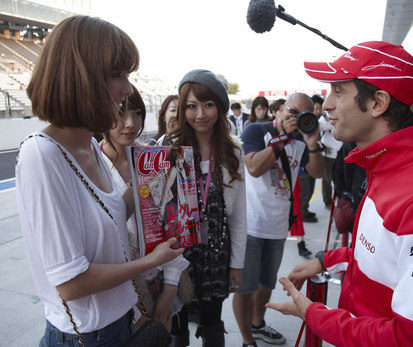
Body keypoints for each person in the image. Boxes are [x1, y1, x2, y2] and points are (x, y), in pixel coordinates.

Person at [267, 41, 413, 346]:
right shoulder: (382, 170)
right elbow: (386, 256)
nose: (326, 105)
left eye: (338, 92)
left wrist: (315, 315)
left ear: (378, 103)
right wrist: (330, 260)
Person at [17, 16, 183, 346]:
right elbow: (72, 282)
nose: (127, 89)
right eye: (116, 74)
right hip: (88, 336)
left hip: (121, 322)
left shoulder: (89, 144)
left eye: (128, 75)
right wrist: (152, 261)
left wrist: (150, 183)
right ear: (81, 77)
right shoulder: (42, 155)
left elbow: (106, 221)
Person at [233, 93, 324, 347]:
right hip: (250, 225)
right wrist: (282, 138)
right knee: (245, 287)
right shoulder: (256, 131)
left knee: (267, 282)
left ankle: (258, 323)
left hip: (278, 226)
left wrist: (313, 142)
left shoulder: (303, 141)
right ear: (281, 110)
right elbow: (253, 167)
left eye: (305, 116)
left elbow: (317, 172)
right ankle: (247, 340)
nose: (297, 119)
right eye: (293, 112)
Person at [165, 69, 247, 347]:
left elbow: (238, 217)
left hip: (215, 258)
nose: (200, 114)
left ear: (220, 108)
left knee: (212, 326)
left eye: (208, 104)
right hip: (178, 257)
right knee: (176, 328)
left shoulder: (233, 151)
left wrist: (236, 264)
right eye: (191, 106)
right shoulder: (170, 148)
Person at [100, 85, 190, 331]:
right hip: (111, 290)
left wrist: (171, 286)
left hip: (158, 277)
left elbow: (176, 225)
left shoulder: (157, 159)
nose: (130, 123)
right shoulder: (89, 165)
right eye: (120, 114)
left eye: (137, 113)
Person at [315, 94, 343, 209]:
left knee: (340, 179)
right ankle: (327, 202)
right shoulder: (324, 118)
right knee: (327, 179)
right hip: (328, 154)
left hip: (341, 153)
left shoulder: (344, 114)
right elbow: (315, 132)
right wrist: (322, 146)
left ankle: (342, 201)